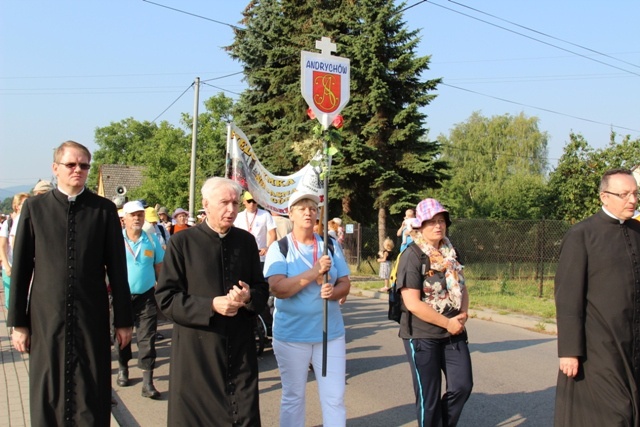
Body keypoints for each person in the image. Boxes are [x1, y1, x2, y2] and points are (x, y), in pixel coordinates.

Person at [7, 140, 133, 426]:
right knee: (48, 384)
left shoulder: (103, 210)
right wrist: (19, 323)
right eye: (71, 164)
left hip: (91, 316)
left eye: (84, 165)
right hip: (46, 317)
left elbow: (117, 269)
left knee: (92, 386)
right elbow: (22, 270)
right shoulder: (35, 208)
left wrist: (124, 320)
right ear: (56, 168)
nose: (78, 170)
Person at [155, 177, 269, 426]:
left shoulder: (246, 241)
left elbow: (262, 290)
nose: (232, 209)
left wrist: (249, 296)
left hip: (239, 348)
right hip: (198, 353)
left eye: (236, 203)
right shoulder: (181, 242)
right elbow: (166, 299)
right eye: (224, 203)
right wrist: (211, 305)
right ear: (205, 204)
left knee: (244, 415)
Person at [554, 168, 640, 426]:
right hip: (598, 345)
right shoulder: (582, 234)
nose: (632, 200)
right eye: (624, 194)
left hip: (632, 340)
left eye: (635, 194)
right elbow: (568, 294)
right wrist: (569, 350)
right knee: (616, 413)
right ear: (604, 196)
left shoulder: (637, 232)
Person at [264, 190, 351, 427]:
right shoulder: (280, 248)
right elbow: (278, 288)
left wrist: (334, 292)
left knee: (334, 397)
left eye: (313, 208)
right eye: (302, 208)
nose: (308, 212)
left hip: (329, 335)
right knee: (294, 397)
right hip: (292, 336)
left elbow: (345, 283)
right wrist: (314, 272)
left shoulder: (330, 245)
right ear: (290, 214)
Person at [396, 198, 472, 427]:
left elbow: (462, 285)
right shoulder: (412, 255)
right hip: (422, 335)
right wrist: (447, 323)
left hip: (454, 332)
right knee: (428, 400)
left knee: (462, 386)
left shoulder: (451, 252)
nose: (438, 226)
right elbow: (412, 303)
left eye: (441, 221)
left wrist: (464, 313)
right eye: (431, 222)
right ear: (420, 225)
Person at [115, 200, 164, 399]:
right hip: (120, 296)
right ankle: (123, 368)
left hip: (146, 297)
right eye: (133, 215)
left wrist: (162, 289)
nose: (137, 218)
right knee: (121, 337)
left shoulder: (151, 241)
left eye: (140, 215)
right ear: (124, 218)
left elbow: (160, 266)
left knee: (147, 338)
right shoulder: (115, 240)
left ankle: (148, 382)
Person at [0, 192, 29, 309]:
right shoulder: (9, 223)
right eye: (24, 203)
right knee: (10, 302)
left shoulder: (31, 221)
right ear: (17, 206)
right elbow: (2, 246)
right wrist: (7, 266)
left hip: (26, 266)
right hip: (11, 266)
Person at [234, 191, 276, 268]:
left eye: (254, 201)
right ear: (244, 201)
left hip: (260, 257)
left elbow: (273, 234)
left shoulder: (265, 214)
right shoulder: (238, 216)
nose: (252, 204)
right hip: (242, 256)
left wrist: (267, 247)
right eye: (249, 201)